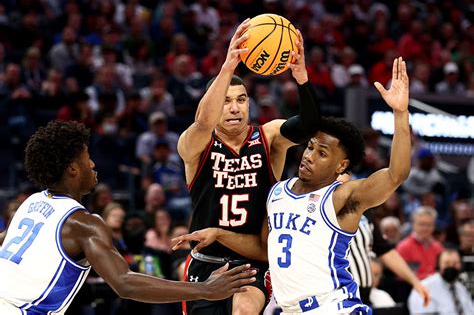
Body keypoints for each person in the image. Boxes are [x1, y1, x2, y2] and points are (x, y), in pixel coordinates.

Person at [173, 57, 431, 313]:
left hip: (332, 306)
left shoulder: (341, 196)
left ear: (341, 165)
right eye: (309, 147)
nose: (308, 156)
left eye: (240, 100)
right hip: (283, 306)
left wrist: (400, 113)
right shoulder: (277, 194)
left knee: (245, 309)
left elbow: (396, 174)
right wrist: (218, 233)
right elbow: (264, 248)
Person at [0, 120, 256, 315]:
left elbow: (5, 242)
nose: (92, 164)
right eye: (87, 158)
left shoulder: (31, 202)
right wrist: (206, 290)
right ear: (72, 169)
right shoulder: (83, 223)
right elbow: (125, 283)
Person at [177, 19, 321, 315]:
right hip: (205, 263)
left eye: (241, 100)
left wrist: (302, 78)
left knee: (244, 310)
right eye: (226, 101)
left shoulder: (269, 137)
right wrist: (228, 66)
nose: (234, 108)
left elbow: (309, 126)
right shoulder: (196, 145)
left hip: (252, 260)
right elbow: (203, 122)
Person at [408, 249, 473, 314]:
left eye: (455, 263)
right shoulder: (425, 288)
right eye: (446, 263)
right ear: (438, 265)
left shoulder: (460, 288)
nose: (451, 266)